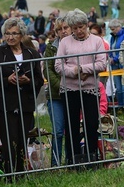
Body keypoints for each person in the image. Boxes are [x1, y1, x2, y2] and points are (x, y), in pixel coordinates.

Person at [0, 18, 44, 174]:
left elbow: (39, 79)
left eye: (14, 33)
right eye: (7, 33)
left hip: (25, 103)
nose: (10, 37)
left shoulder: (32, 53)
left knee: (21, 140)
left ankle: (20, 172)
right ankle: (9, 173)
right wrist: (7, 80)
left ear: (22, 34)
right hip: (6, 103)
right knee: (9, 140)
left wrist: (28, 80)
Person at [54, 9, 107, 165]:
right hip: (69, 89)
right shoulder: (64, 42)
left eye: (81, 27)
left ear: (86, 25)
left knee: (91, 123)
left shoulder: (97, 41)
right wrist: (74, 71)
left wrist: (84, 69)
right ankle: (73, 159)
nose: (79, 31)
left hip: (90, 87)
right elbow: (58, 65)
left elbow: (102, 64)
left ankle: (92, 157)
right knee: (71, 125)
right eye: (75, 28)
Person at [44, 16, 71, 167]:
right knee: (58, 130)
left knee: (71, 129)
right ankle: (55, 163)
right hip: (55, 95)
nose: (63, 31)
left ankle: (70, 160)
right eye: (59, 29)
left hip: (74, 92)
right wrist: (61, 85)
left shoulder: (76, 44)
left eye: (65, 28)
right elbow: (47, 70)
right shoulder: (51, 47)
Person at [107, 19, 124, 108]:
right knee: (118, 87)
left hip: (121, 63)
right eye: (111, 29)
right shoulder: (112, 37)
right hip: (114, 64)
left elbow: (121, 49)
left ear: (118, 27)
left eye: (113, 29)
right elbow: (111, 48)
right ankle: (120, 105)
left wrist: (114, 59)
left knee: (123, 87)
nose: (112, 31)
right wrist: (110, 57)